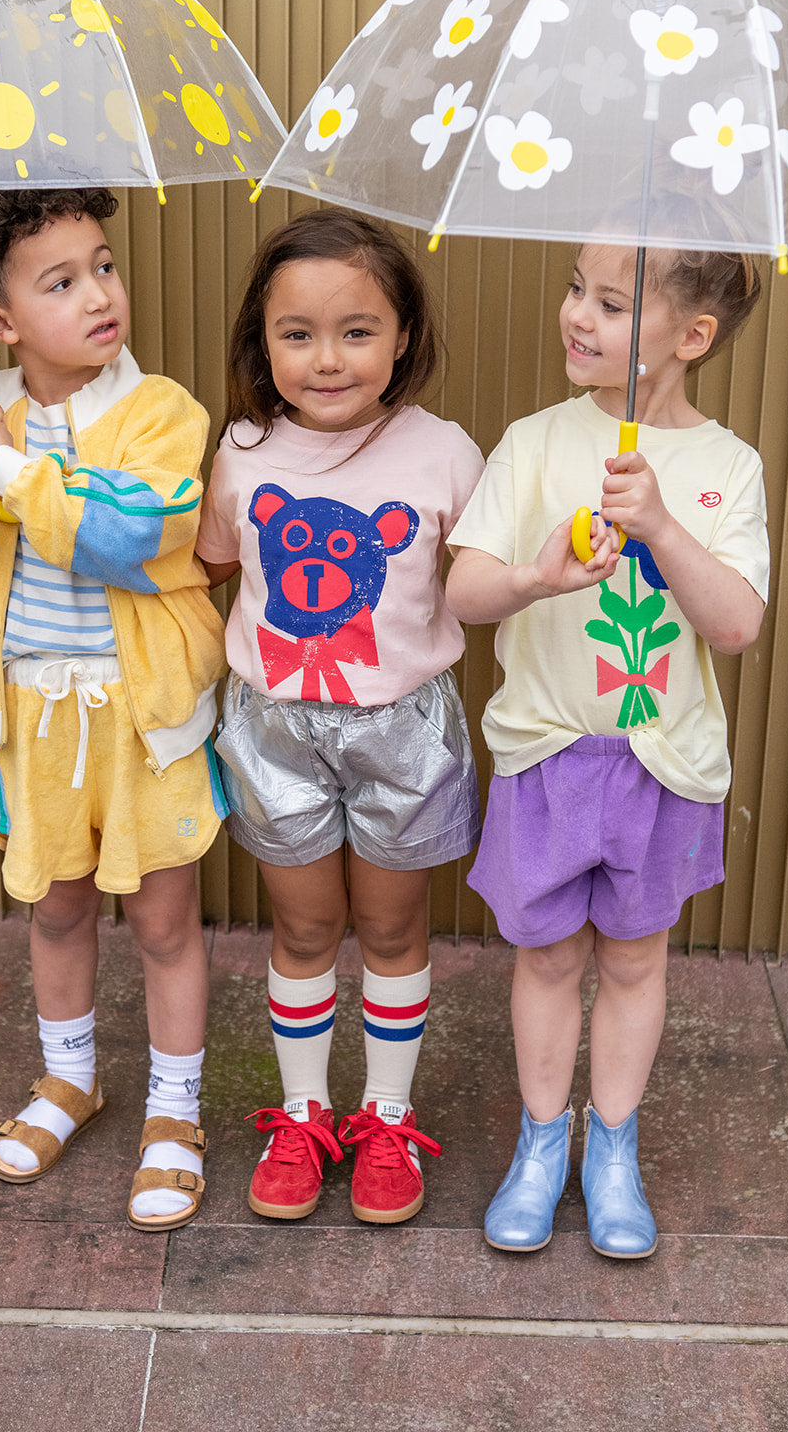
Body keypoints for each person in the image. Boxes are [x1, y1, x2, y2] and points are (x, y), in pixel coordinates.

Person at [0, 187, 227, 1232]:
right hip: (33, 716)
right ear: (0, 318)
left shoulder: (160, 410)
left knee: (162, 919)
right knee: (58, 906)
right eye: (60, 281)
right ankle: (69, 1078)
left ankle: (175, 1110)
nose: (99, 293)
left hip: (140, 722)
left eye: (104, 266)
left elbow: (130, 533)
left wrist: (12, 468)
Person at [446, 235, 769, 1259]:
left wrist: (663, 528)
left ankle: (610, 1146)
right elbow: (460, 593)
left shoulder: (725, 468)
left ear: (691, 335)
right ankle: (542, 1143)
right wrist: (535, 580)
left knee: (631, 959)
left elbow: (736, 625)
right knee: (544, 956)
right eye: (573, 291)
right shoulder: (534, 441)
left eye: (613, 303)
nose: (577, 316)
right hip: (547, 752)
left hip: (662, 762)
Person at [196, 206, 485, 1224]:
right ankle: (302, 1111)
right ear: (260, 340)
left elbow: (486, 576)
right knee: (305, 922)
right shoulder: (238, 452)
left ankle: (387, 1119)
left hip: (400, 725)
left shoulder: (444, 453)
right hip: (274, 722)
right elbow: (215, 566)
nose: (327, 359)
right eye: (297, 333)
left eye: (357, 330)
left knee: (390, 924)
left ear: (402, 335)